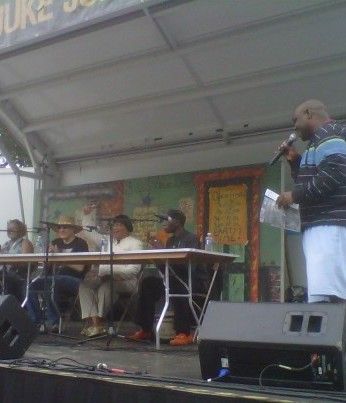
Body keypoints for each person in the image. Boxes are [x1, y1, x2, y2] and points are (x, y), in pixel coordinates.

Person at [277, 99, 346, 303]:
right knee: (322, 298)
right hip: (321, 227)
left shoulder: (330, 134)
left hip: (329, 227)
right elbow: (313, 181)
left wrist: (293, 196)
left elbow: (333, 176)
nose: (294, 127)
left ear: (308, 113)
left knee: (330, 298)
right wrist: (295, 161)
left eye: (295, 120)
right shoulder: (317, 142)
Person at [129, 209, 199, 346]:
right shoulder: (171, 240)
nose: (162, 224)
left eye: (166, 220)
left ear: (177, 222)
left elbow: (188, 266)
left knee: (178, 286)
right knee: (148, 283)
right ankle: (146, 329)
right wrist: (158, 254)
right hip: (171, 278)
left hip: (189, 280)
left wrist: (162, 251)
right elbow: (167, 267)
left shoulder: (191, 238)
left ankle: (184, 332)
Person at [79, 214, 143, 337]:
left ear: (127, 227)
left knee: (106, 287)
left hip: (126, 281)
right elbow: (89, 233)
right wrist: (87, 215)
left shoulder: (135, 243)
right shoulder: (108, 241)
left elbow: (134, 270)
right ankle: (96, 324)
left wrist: (110, 273)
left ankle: (97, 324)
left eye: (119, 225)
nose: (115, 228)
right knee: (84, 285)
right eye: (114, 225)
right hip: (104, 278)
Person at [26, 215, 89, 331]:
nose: (61, 230)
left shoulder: (81, 243)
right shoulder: (56, 242)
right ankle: (36, 321)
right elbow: (47, 267)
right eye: (59, 228)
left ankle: (55, 321)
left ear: (73, 230)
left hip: (75, 281)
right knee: (31, 286)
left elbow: (80, 268)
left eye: (65, 227)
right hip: (54, 278)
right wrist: (48, 258)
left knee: (51, 282)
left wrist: (59, 256)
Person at [0, 219, 34, 302]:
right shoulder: (6, 244)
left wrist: (8, 261)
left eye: (12, 228)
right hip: (4, 274)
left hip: (19, 275)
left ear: (20, 230)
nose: (9, 231)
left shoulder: (25, 242)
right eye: (8, 229)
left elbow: (26, 262)